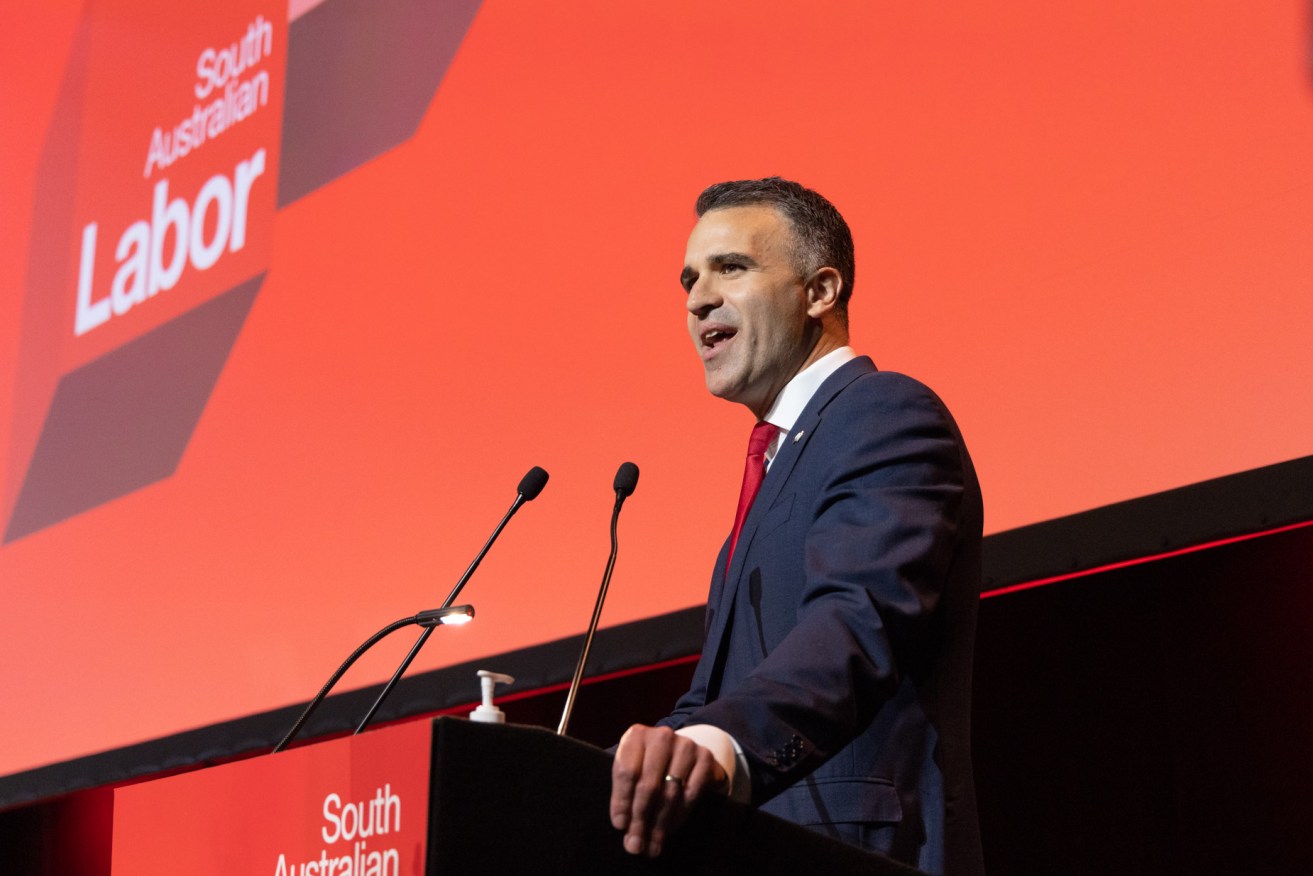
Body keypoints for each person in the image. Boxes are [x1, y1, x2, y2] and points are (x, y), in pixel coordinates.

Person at [609, 178, 985, 875]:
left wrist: (721, 746)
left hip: (857, 853)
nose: (697, 299)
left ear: (819, 291)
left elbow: (859, 620)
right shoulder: (771, 478)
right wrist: (606, 777)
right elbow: (710, 702)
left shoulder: (883, 413)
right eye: (689, 278)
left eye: (731, 267)